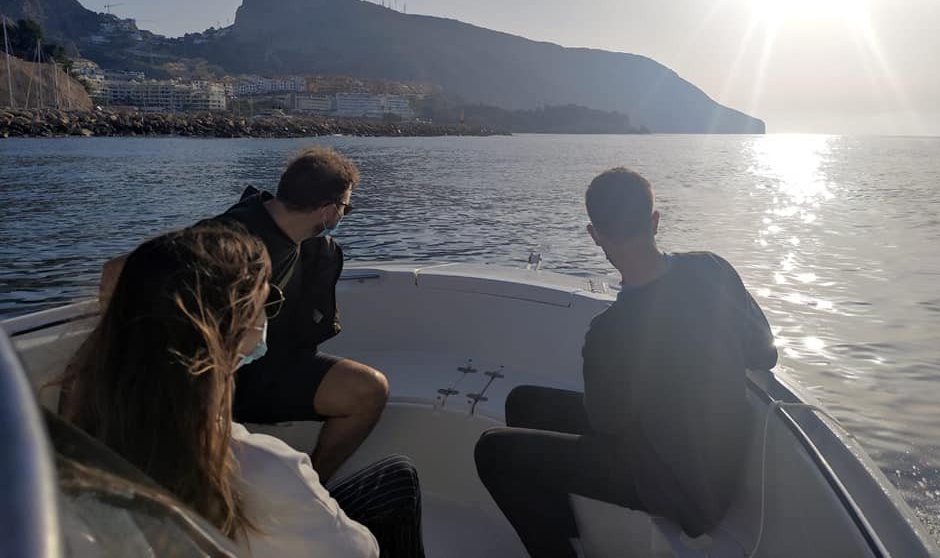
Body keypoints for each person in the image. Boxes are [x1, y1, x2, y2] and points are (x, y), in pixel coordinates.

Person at [63, 225, 425, 558]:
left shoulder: (77, 427)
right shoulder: (261, 468)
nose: (268, 318)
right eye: (267, 304)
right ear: (235, 331)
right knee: (397, 479)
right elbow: (361, 552)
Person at [474, 167, 778, 558]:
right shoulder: (712, 268)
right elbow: (765, 354)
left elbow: (607, 425)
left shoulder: (608, 333)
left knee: (493, 452)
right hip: (721, 466)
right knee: (524, 402)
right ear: (655, 220)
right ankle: (572, 538)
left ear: (595, 235)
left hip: (681, 492)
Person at [100, 146, 386, 484]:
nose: (343, 217)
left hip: (267, 361)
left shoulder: (290, 233)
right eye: (345, 209)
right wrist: (116, 355)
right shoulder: (235, 240)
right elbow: (118, 269)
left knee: (368, 390)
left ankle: (315, 488)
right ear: (326, 210)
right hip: (221, 377)